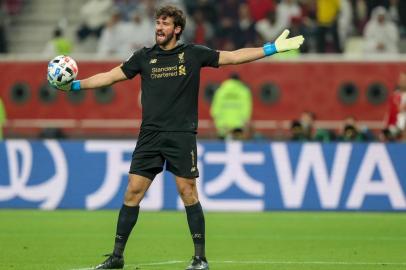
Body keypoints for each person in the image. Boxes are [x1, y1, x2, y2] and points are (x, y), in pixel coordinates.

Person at [53, 5, 304, 270]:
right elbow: (111, 76)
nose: (159, 27)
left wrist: (270, 49)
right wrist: (76, 85)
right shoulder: (143, 57)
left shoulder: (193, 54)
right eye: (157, 22)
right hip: (149, 135)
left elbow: (231, 57)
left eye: (165, 23)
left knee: (188, 192)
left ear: (177, 29)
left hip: (181, 135)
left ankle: (200, 258)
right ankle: (117, 257)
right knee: (132, 192)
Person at [210, 73, 252, 140]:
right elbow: (246, 108)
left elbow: (215, 109)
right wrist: (245, 121)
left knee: (222, 148)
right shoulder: (244, 91)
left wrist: (218, 122)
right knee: (237, 148)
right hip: (238, 127)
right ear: (239, 80)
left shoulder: (221, 91)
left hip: (223, 126)